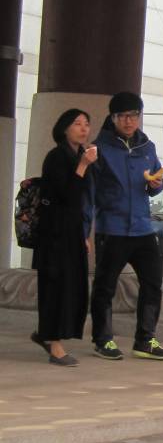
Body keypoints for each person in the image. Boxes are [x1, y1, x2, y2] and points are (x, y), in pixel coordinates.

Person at [89, 92, 163, 362]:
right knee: (105, 286)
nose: (129, 121)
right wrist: (85, 228)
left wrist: (156, 184)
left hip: (143, 228)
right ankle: (103, 339)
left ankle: (145, 339)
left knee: (153, 283)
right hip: (112, 228)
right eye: (123, 116)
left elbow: (153, 186)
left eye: (134, 115)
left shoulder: (147, 147)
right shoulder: (99, 149)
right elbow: (89, 191)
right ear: (113, 118)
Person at [31, 109, 97, 367]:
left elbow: (84, 202)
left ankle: (46, 334)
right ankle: (54, 344)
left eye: (86, 124)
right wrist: (83, 166)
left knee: (72, 286)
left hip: (72, 232)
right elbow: (67, 196)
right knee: (56, 287)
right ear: (64, 128)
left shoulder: (78, 156)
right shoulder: (56, 157)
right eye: (77, 124)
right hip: (54, 233)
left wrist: (84, 233)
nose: (83, 128)